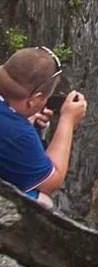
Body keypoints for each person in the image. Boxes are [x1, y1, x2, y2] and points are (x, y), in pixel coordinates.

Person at [0, 46, 87, 202]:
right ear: (34, 99)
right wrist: (67, 121)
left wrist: (25, 119)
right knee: (43, 202)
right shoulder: (19, 132)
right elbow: (50, 181)